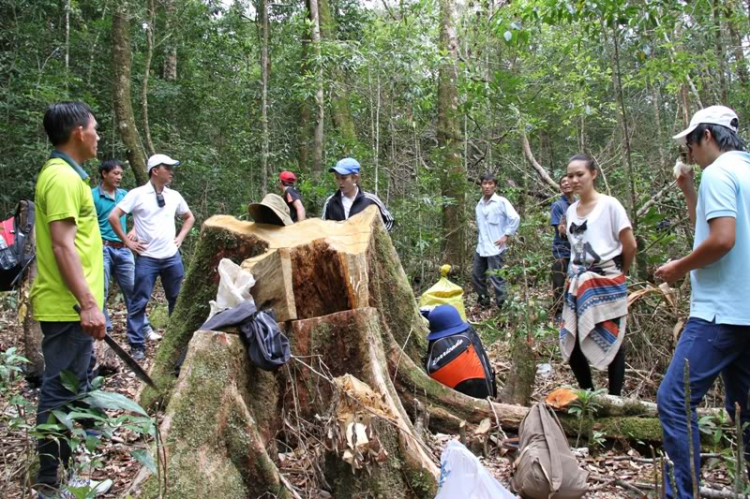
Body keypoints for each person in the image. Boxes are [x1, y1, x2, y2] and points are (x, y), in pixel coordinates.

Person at [655, 106, 750, 498]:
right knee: (744, 410)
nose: (689, 154)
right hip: (745, 314)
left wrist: (678, 267)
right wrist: (688, 191)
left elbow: (723, 239)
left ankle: (682, 494)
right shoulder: (743, 170)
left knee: (674, 400)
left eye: (691, 144)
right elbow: (710, 228)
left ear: (707, 136)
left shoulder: (719, 172)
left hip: (719, 313)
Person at [31, 101, 112, 496]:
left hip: (74, 306)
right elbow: (63, 247)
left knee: (74, 387)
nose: (99, 135)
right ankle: (50, 484)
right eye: (95, 128)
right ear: (79, 132)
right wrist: (89, 304)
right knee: (60, 391)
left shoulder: (68, 177)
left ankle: (67, 474)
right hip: (69, 308)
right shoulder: (62, 178)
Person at [559, 154, 636, 397]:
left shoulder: (610, 205)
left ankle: (614, 398)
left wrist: (621, 273)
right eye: (570, 175)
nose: (574, 180)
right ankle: (589, 394)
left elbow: (629, 244)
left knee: (613, 338)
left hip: (606, 279)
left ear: (593, 174)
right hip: (578, 282)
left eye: (579, 174)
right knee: (571, 339)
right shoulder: (571, 211)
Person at [108, 154, 195, 360]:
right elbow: (114, 216)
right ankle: (137, 344)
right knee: (139, 300)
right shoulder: (137, 194)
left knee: (176, 299)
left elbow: (189, 217)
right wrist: (128, 242)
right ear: (155, 170)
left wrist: (180, 238)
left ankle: (176, 342)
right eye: (168, 168)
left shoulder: (174, 195)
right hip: (147, 258)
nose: (172, 171)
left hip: (171, 257)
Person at [91, 159, 157, 339]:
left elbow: (138, 215)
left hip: (124, 249)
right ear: (104, 174)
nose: (119, 177)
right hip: (101, 248)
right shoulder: (92, 196)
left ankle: (143, 328)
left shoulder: (124, 195)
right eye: (116, 173)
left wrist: (133, 231)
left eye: (121, 174)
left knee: (133, 290)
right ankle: (104, 331)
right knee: (100, 290)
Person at [472, 173, 519, 309]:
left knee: (497, 278)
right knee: (477, 275)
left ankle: (503, 306)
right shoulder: (479, 205)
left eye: (490, 183)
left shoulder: (501, 202)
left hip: (496, 247)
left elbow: (515, 218)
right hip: (481, 247)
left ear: (495, 186)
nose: (487, 186)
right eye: (484, 183)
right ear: (481, 185)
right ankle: (484, 302)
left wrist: (506, 235)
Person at [321, 157, 394, 231]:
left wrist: (374, 237)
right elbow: (323, 228)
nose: (340, 182)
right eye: (337, 178)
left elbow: (389, 221)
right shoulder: (330, 202)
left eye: (344, 178)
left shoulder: (370, 200)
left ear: (355, 178)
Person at [551, 175, 574, 322]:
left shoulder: (579, 204)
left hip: (579, 251)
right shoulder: (558, 205)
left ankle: (573, 309)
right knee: (559, 281)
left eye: (568, 181)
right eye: (563, 182)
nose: (566, 184)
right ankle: (558, 311)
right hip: (562, 250)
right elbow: (560, 229)